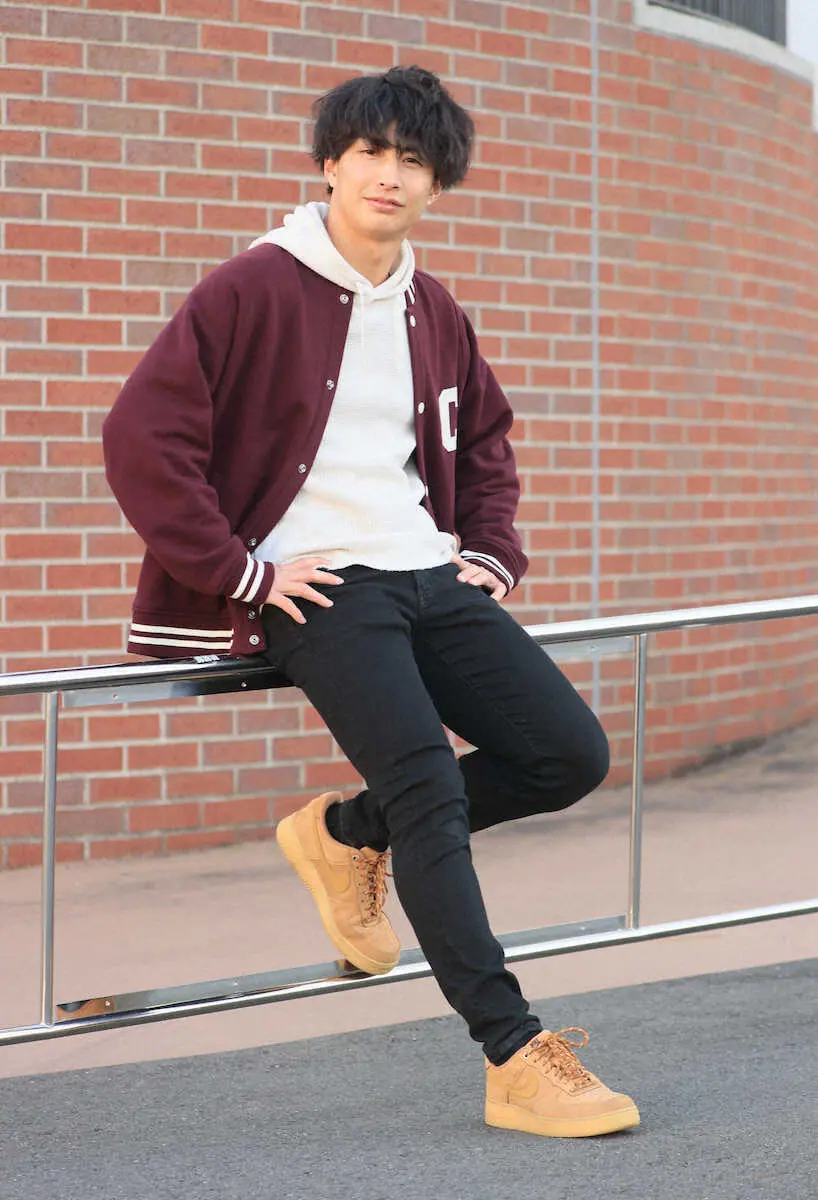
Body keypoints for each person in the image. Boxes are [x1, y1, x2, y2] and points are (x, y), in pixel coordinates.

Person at [103, 65, 638, 1139]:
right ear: (330, 164)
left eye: (414, 159)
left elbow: (485, 441)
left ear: (437, 182)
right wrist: (243, 572)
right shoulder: (251, 287)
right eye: (370, 153)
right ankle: (514, 1055)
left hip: (425, 570)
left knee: (566, 755)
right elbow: (141, 437)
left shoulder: (432, 308)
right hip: (321, 587)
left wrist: (491, 548)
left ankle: (349, 833)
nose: (389, 175)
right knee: (429, 787)